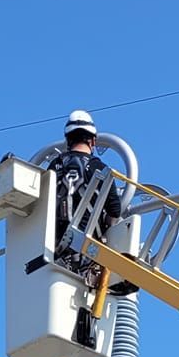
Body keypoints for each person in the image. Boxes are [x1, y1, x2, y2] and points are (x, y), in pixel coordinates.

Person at [47, 110, 123, 261]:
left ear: (68, 140)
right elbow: (115, 210)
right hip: (87, 250)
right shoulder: (101, 169)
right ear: (93, 141)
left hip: (53, 248)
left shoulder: (55, 165)